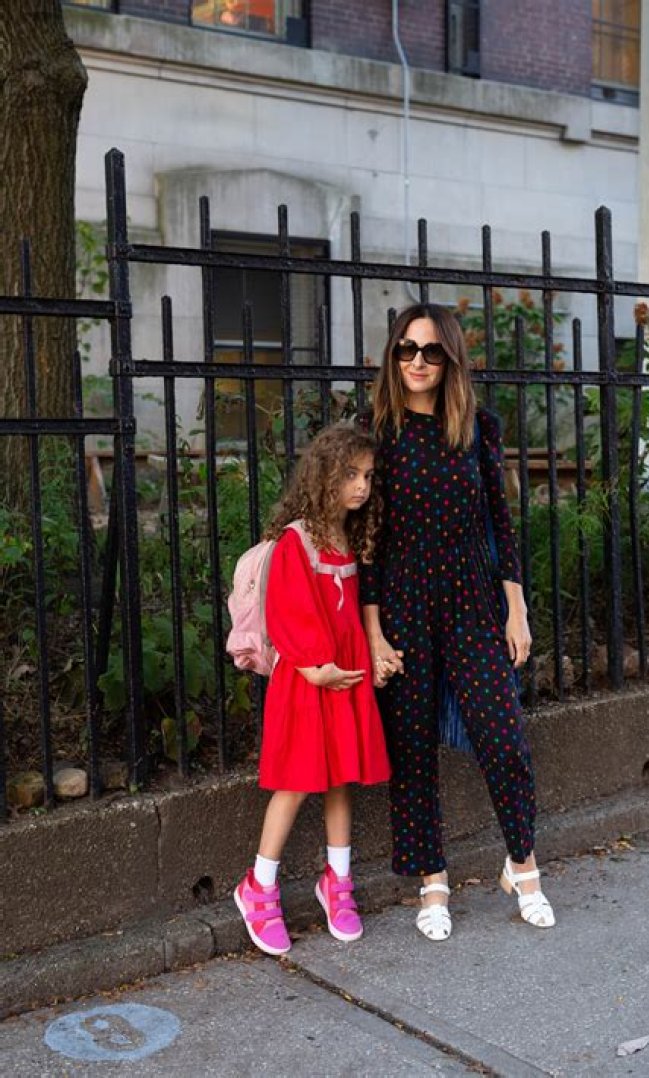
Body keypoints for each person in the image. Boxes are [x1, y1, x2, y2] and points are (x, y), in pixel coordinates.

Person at [359, 303, 555, 941]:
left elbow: (499, 521)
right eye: (406, 349)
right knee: (413, 747)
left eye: (431, 351)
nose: (416, 361)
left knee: (504, 738)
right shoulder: (377, 432)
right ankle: (432, 880)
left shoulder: (477, 427)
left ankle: (522, 866)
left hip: (473, 598)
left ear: (450, 359)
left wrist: (515, 607)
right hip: (403, 602)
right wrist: (373, 631)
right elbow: (367, 540)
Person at [234, 424, 391, 956]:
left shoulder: (353, 536)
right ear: (323, 475)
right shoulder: (297, 539)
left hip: (344, 674)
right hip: (308, 680)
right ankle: (258, 886)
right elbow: (289, 609)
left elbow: (358, 610)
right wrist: (314, 667)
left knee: (341, 776)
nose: (362, 486)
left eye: (368, 475)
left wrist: (366, 658)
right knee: (297, 781)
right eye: (350, 474)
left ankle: (337, 881)